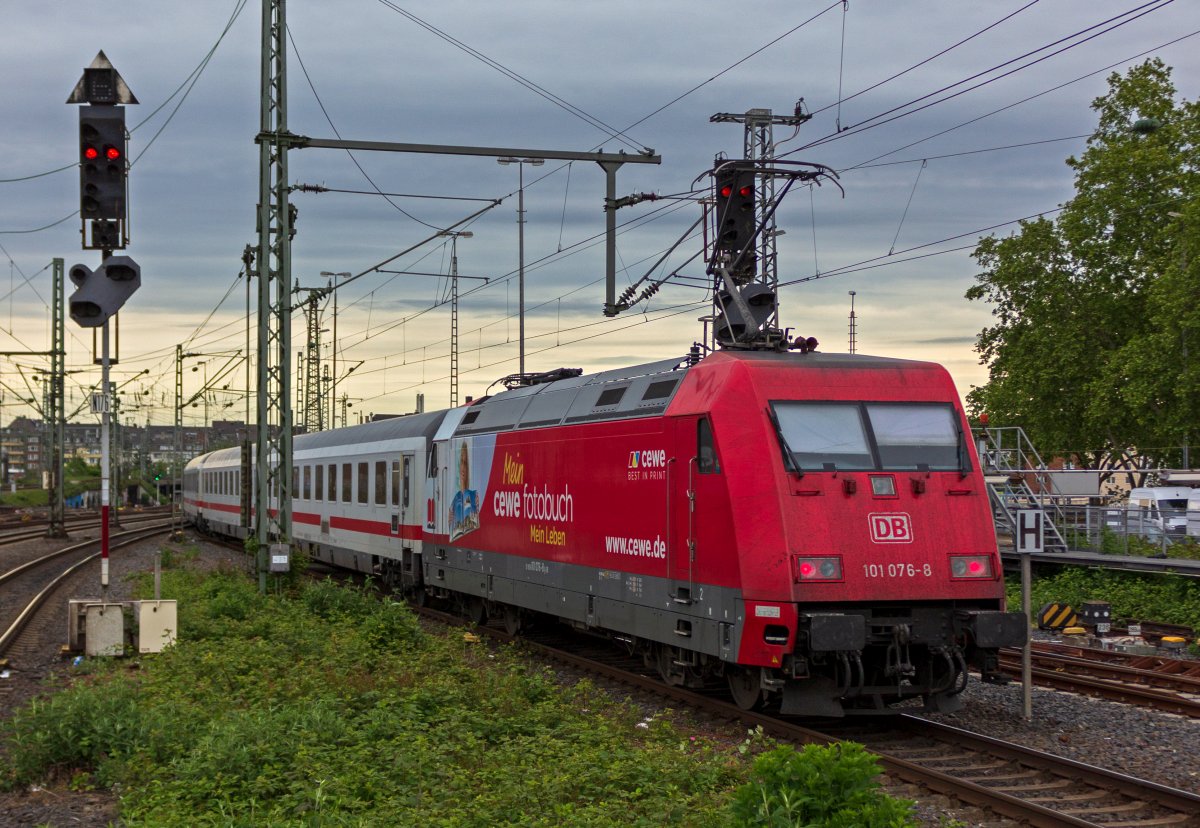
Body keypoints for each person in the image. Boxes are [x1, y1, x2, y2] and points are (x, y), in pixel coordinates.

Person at [450, 441, 479, 540]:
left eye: (465, 463)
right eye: (461, 462)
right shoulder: (455, 498)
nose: (463, 468)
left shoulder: (472, 495)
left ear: (468, 468)